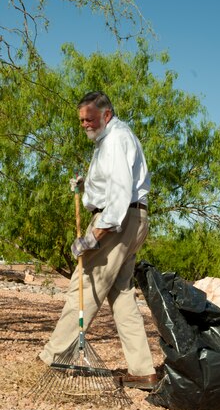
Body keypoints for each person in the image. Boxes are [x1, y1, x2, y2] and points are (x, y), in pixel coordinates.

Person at [39, 91, 157, 390]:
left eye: (89, 118)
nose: (84, 124)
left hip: (118, 222)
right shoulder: (110, 139)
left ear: (106, 115)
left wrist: (93, 236)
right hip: (134, 219)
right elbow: (112, 185)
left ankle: (55, 357)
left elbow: (118, 197)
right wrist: (87, 187)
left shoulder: (116, 139)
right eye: (81, 120)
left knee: (85, 284)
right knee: (122, 294)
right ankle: (143, 370)